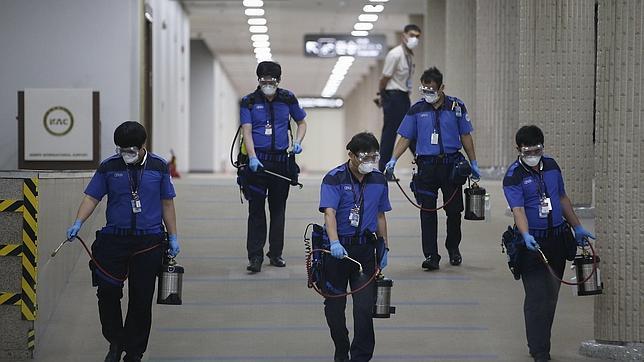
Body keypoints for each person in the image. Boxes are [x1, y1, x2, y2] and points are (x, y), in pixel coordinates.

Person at [66, 121, 179, 362]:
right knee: (107, 292)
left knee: (141, 297)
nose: (126, 153)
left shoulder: (159, 166)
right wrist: (78, 222)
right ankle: (115, 341)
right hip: (114, 239)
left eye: (131, 149)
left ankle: (134, 351)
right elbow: (91, 197)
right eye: (122, 149)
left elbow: (167, 203)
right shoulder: (109, 167)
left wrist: (174, 236)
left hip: (149, 241)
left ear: (142, 146)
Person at [502, 125, 595, 362]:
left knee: (551, 296)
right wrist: (525, 235)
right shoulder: (514, 175)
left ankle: (541, 342)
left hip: (556, 239)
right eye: (527, 151)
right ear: (518, 150)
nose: (532, 154)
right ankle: (539, 350)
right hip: (532, 243)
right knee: (536, 297)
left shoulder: (552, 166)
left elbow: (562, 198)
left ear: (543, 147)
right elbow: (518, 210)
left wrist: (577, 226)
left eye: (537, 149)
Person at [385, 67, 480, 270]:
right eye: (424, 89)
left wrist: (473, 162)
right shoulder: (417, 109)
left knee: (454, 212)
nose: (427, 93)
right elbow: (405, 137)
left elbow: (466, 136)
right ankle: (431, 255)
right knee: (427, 211)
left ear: (441, 88)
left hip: (452, 165)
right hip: (426, 167)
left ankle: (453, 249)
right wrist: (392, 159)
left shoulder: (456, 106)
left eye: (431, 89)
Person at [319, 132, 391, 362]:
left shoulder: (379, 179)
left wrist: (384, 247)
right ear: (350, 154)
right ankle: (342, 348)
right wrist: (334, 242)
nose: (369, 162)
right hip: (337, 252)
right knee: (334, 310)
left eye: (374, 157)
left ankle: (360, 357)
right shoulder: (334, 178)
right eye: (364, 157)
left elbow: (380, 215)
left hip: (364, 252)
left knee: (363, 309)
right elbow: (329, 213)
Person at [240, 60, 307, 272]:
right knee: (256, 210)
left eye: (271, 80)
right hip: (257, 164)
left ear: (278, 81)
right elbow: (247, 131)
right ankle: (255, 256)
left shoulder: (288, 99)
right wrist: (251, 157)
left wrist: (297, 141)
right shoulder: (249, 102)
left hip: (280, 163)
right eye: (264, 80)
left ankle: (275, 253)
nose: (267, 84)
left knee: (278, 210)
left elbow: (302, 122)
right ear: (259, 80)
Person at [376, 24, 421, 179]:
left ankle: (424, 163)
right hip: (393, 96)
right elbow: (385, 78)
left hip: (402, 97)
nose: (414, 39)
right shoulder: (395, 54)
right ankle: (384, 170)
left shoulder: (409, 56)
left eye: (417, 36)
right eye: (411, 35)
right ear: (404, 36)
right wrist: (382, 95)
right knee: (391, 133)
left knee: (411, 130)